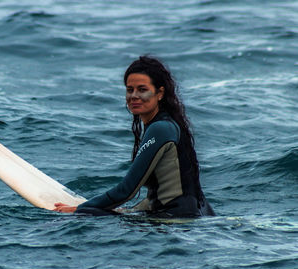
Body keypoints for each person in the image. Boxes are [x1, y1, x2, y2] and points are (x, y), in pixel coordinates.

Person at [54, 56, 215, 217]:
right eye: (130, 90)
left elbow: (126, 191)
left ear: (160, 93)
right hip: (189, 220)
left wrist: (80, 209)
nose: (134, 96)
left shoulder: (160, 129)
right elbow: (171, 196)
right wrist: (130, 210)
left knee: (86, 216)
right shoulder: (169, 124)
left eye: (142, 89)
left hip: (172, 223)